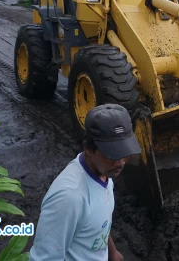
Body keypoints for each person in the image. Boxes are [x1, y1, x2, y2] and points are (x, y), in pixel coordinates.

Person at [30, 104, 141, 261]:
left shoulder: (105, 172)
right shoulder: (69, 198)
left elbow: (98, 222)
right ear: (88, 149)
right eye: (113, 154)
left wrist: (112, 252)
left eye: (125, 153)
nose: (121, 162)